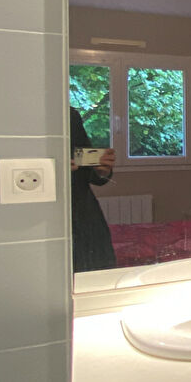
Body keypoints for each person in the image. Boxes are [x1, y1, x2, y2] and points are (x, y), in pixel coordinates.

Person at [71, 106, 117, 272]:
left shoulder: (70, 116)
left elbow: (88, 169)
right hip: (50, 212)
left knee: (98, 272)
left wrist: (102, 171)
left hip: (85, 213)